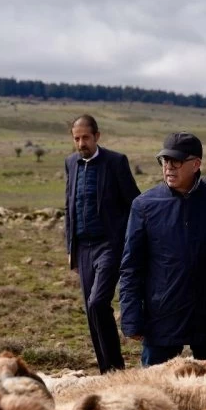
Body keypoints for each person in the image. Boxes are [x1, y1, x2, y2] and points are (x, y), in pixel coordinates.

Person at [119, 132, 206, 373]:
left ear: (196, 164)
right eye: (165, 161)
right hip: (163, 314)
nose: (169, 168)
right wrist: (131, 317)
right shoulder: (145, 205)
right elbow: (131, 265)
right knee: (155, 392)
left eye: (176, 162)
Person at [64, 115, 141, 373]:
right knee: (90, 310)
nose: (81, 143)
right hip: (83, 247)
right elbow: (69, 205)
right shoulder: (71, 163)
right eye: (77, 138)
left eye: (86, 137)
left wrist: (133, 243)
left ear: (97, 136)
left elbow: (134, 202)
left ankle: (115, 369)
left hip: (109, 244)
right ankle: (105, 370)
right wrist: (70, 250)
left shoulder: (115, 162)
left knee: (98, 302)